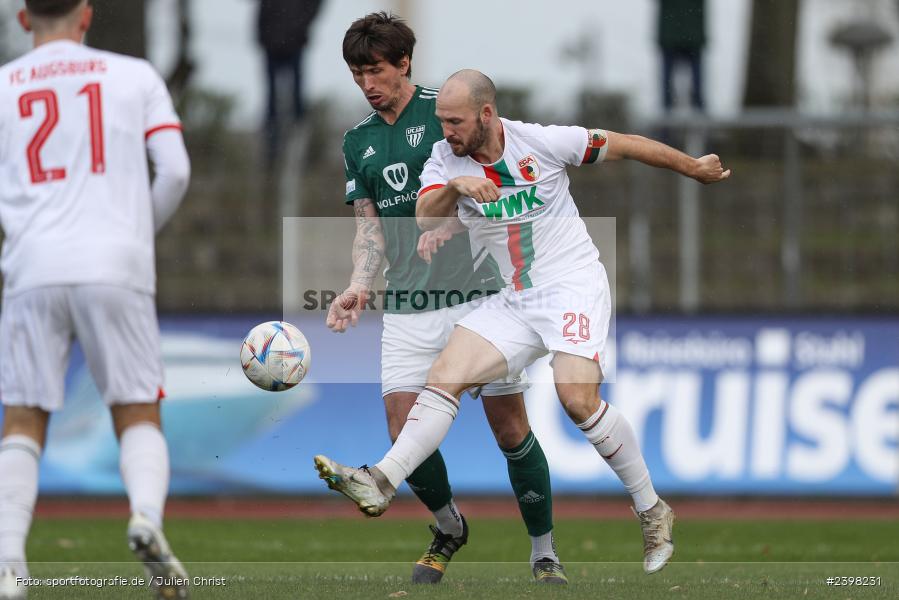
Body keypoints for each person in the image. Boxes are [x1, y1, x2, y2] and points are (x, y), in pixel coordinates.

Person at [316, 69, 731, 576]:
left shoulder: (543, 142)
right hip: (513, 298)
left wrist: (693, 166)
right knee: (445, 376)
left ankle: (651, 508)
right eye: (442, 121)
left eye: (455, 122)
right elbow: (424, 213)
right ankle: (381, 481)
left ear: (486, 114)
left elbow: (625, 143)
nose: (446, 131)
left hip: (571, 285)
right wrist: (456, 189)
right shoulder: (445, 159)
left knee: (576, 399)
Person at [321, 13, 565, 585]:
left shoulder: (446, 115)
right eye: (357, 74)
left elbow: (496, 183)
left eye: (376, 71)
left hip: (479, 297)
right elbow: (369, 227)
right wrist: (359, 283)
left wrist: (452, 222)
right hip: (408, 306)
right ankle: (449, 526)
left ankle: (544, 551)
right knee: (402, 428)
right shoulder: (357, 141)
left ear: (404, 62)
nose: (367, 84)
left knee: (509, 428)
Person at [0, 2, 190, 599]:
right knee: (136, 409)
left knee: (23, 418)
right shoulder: (134, 75)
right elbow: (175, 171)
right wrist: (135, 235)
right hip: (115, 261)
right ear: (85, 14)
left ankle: (9, 566)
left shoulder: (4, 85)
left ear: (24, 18)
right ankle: (145, 519)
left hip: (32, 265)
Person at [256, 0, 322, 166]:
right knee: (272, 100)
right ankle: (271, 150)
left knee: (296, 100)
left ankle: (299, 145)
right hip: (271, 39)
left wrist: (301, 24)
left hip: (293, 40)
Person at [658, 0, 706, 111]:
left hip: (671, 34)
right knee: (696, 77)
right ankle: (698, 105)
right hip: (692, 33)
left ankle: (667, 107)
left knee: (667, 77)